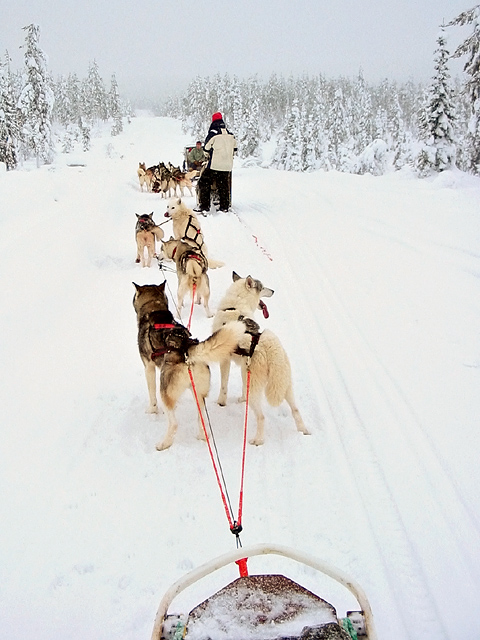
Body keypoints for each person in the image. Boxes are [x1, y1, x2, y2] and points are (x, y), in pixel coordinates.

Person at [195, 112, 237, 214]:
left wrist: (208, 155)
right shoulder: (230, 134)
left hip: (215, 165)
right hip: (227, 166)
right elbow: (235, 150)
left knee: (203, 182)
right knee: (223, 185)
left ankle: (204, 206)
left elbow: (206, 149)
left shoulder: (213, 133)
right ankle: (224, 206)